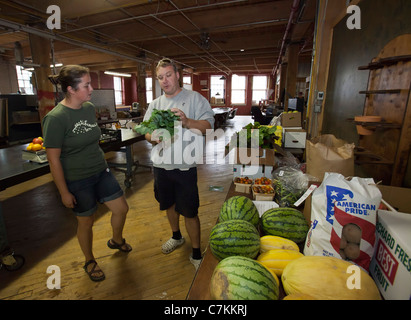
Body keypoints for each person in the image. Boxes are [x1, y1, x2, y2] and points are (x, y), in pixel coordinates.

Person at [42, 65, 131, 282]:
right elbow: (53, 159)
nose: (92, 89)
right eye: (86, 85)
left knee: (121, 208)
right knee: (86, 221)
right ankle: (89, 260)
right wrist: (64, 192)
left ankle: (116, 240)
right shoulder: (56, 118)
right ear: (71, 89)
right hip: (77, 178)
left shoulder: (88, 108)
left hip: (101, 171)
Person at [144, 58, 214, 270]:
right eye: (160, 78)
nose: (165, 81)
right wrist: (152, 136)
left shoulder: (195, 99)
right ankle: (176, 237)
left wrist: (187, 122)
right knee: (168, 204)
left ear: (177, 74)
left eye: (168, 75)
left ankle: (195, 252)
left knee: (190, 211)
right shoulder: (155, 104)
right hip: (161, 167)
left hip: (185, 168)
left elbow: (208, 126)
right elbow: (146, 131)